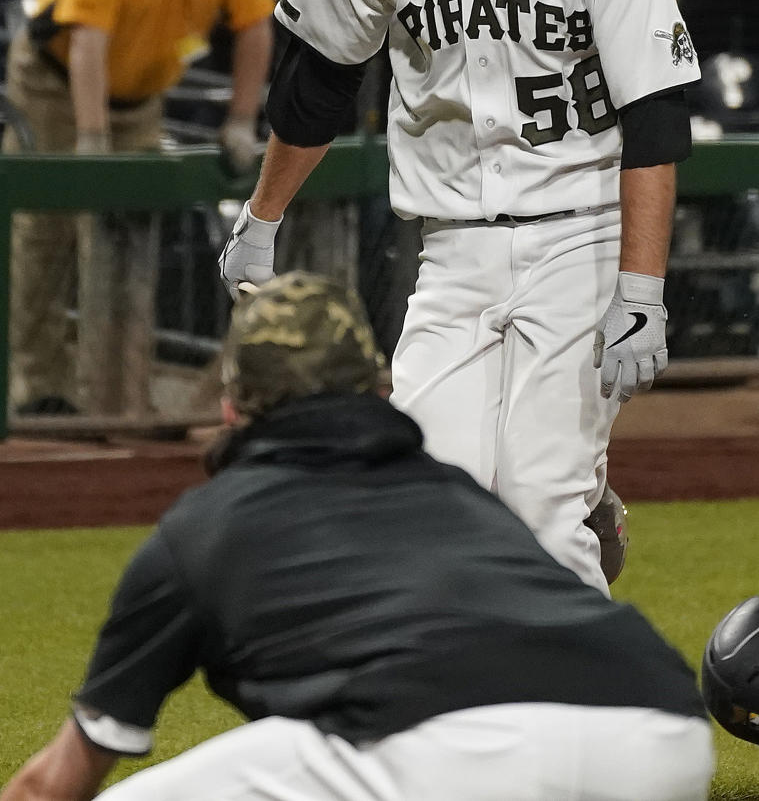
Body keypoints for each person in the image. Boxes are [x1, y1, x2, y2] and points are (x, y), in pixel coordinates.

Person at [219, 0, 700, 595]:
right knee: (423, 505)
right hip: (451, 247)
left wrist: (643, 286)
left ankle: (589, 720)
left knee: (538, 512)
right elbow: (318, 79)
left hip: (579, 233)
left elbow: (658, 116)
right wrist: (262, 217)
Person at [0, 272, 715, 801]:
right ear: (377, 392)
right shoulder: (457, 494)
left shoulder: (201, 530)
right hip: (659, 730)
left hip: (447, 750)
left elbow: (60, 780)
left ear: (228, 408)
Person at [2, 0, 275, 415]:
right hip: (53, 83)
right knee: (45, 235)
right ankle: (36, 385)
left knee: (130, 233)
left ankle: (118, 391)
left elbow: (256, 25)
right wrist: (92, 145)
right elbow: (89, 44)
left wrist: (239, 120)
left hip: (142, 95)